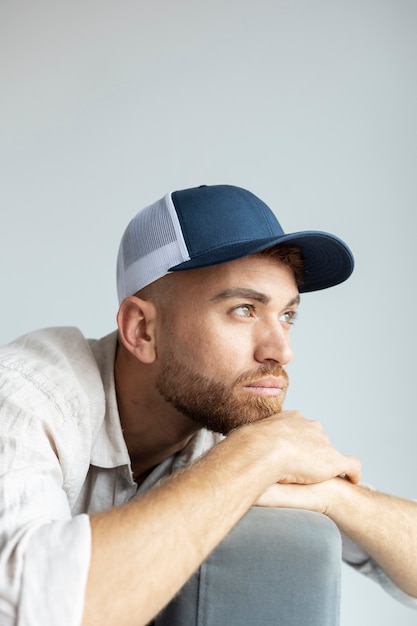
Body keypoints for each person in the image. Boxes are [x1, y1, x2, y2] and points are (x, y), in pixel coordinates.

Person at [0, 184, 416, 626]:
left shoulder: (226, 417)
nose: (281, 350)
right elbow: (38, 610)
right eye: (243, 310)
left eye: (288, 315)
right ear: (142, 329)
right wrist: (258, 455)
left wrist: (335, 496)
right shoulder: (27, 394)